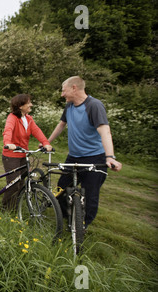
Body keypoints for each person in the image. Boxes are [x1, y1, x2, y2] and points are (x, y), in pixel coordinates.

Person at [47, 76, 122, 229]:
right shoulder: (69, 106)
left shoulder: (94, 106)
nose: (62, 94)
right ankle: (67, 217)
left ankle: (82, 226)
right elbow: (61, 125)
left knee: (90, 195)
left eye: (64, 90)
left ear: (74, 88)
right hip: (73, 157)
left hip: (94, 157)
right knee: (61, 188)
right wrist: (47, 142)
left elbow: (105, 131)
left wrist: (110, 157)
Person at [2, 94, 53, 210]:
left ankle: (17, 206)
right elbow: (8, 130)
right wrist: (8, 143)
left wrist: (46, 143)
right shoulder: (12, 118)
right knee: (14, 184)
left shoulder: (29, 119)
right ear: (20, 106)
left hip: (23, 154)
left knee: (21, 182)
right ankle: (6, 210)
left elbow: (37, 131)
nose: (31, 104)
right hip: (11, 155)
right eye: (28, 102)